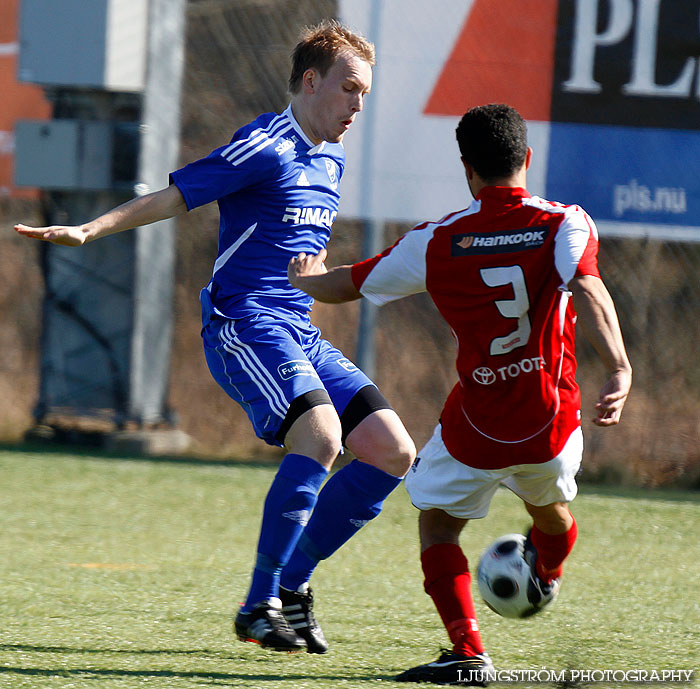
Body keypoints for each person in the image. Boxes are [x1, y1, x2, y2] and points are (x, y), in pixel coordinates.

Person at [14, 20, 416, 655]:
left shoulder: (331, 158)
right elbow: (177, 196)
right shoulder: (266, 144)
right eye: (349, 89)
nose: (357, 106)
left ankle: (292, 587)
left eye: (365, 94)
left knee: (393, 451)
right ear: (310, 82)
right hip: (244, 326)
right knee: (322, 436)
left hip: (297, 331)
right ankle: (259, 605)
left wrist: (324, 280)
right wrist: (91, 228)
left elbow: (296, 262)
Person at [287, 103, 632, 684]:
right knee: (549, 512)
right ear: (525, 159)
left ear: (467, 170)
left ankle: (469, 655)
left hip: (478, 427)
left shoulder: (439, 240)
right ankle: (547, 573)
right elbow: (590, 287)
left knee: (439, 526)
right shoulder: (565, 223)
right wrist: (619, 367)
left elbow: (350, 284)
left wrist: (306, 278)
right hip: (551, 423)